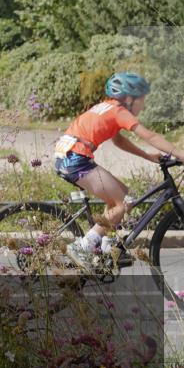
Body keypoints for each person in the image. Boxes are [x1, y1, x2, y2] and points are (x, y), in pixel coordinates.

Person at [58, 73, 184, 268]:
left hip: (70, 157)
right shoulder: (119, 112)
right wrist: (180, 154)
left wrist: (148, 156)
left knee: (122, 195)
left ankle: (107, 248)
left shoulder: (107, 107)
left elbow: (119, 141)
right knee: (123, 204)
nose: (144, 105)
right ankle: (82, 247)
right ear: (129, 99)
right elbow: (150, 136)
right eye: (142, 99)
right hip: (76, 159)